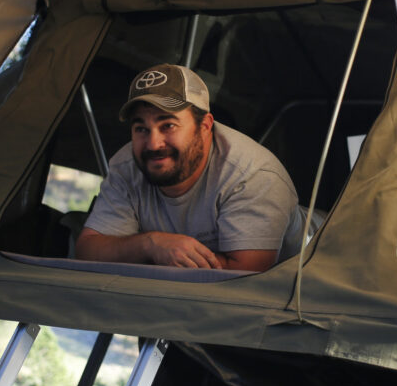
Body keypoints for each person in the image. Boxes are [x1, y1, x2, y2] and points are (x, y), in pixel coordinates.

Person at [72, 64, 303, 272]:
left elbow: (245, 279)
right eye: (141, 128)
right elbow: (87, 251)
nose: (153, 144)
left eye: (168, 125)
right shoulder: (126, 167)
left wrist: (147, 256)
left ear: (205, 126)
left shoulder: (252, 175)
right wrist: (150, 244)